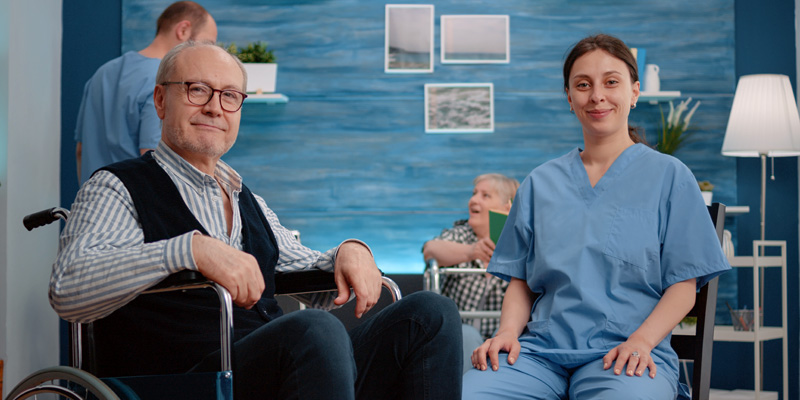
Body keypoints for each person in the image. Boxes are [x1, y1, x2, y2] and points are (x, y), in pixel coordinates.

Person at [51, 41, 462, 400]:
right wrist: (189, 249)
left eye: (230, 95)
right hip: (186, 381)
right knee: (314, 330)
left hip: (279, 373)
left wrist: (348, 251)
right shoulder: (116, 187)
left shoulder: (247, 198)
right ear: (160, 100)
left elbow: (305, 269)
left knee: (430, 312)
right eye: (197, 90)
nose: (214, 106)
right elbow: (69, 288)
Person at [463, 34, 730, 400]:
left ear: (634, 92)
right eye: (583, 85)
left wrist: (641, 341)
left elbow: (684, 286)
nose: (597, 95)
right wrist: (508, 333)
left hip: (626, 356)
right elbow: (521, 282)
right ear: (569, 98)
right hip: (540, 354)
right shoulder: (540, 183)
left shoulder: (671, 177)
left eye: (611, 82)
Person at [74, 1, 217, 185]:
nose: (207, 54)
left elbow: (81, 150)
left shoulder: (102, 73)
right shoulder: (164, 82)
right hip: (135, 208)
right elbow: (155, 161)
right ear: (183, 30)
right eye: (207, 44)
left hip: (93, 202)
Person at [422, 173, 519, 373]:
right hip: (460, 334)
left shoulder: (520, 243)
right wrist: (471, 251)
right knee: (465, 334)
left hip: (499, 333)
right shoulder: (460, 234)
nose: (473, 200)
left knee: (502, 340)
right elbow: (430, 249)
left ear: (507, 207)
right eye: (474, 194)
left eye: (485, 195)